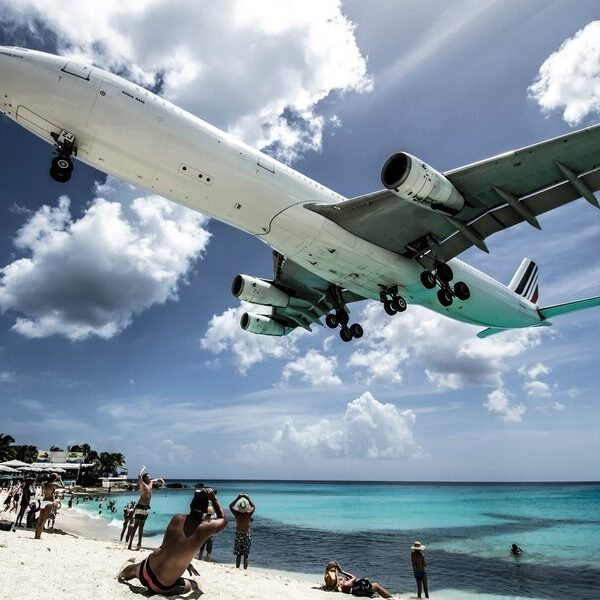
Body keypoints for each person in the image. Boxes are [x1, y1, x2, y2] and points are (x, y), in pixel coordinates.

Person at [118, 487, 227, 596]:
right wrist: (214, 498)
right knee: (192, 585)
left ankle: (123, 573)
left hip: (145, 569)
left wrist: (185, 562)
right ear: (205, 509)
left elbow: (165, 546)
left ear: (191, 505)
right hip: (161, 586)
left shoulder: (177, 519)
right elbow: (223, 519)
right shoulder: (206, 528)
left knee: (135, 569)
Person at [127, 465, 165, 550]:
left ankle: (139, 544)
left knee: (142, 526)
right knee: (136, 525)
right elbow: (139, 476)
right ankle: (130, 543)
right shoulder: (143, 484)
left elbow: (155, 480)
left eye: (150, 477)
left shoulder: (150, 483)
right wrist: (143, 468)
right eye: (148, 477)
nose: (150, 477)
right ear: (145, 479)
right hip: (140, 506)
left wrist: (160, 478)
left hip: (147, 508)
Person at [324, 561, 392, 598]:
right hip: (357, 591)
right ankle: (389, 597)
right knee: (376, 585)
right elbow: (354, 577)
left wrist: (344, 578)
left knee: (367, 582)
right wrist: (342, 571)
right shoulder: (345, 584)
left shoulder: (333, 583)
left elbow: (333, 580)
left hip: (356, 590)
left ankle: (382, 594)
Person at [229, 493, 256, 569]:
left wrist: (238, 498)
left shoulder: (236, 513)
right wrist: (248, 499)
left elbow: (230, 505)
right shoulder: (249, 514)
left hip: (238, 534)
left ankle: (237, 568)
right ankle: (245, 570)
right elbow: (254, 506)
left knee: (238, 554)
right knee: (246, 555)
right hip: (247, 534)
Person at [35, 473, 65, 539]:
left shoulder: (44, 484)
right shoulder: (53, 484)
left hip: (43, 502)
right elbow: (63, 487)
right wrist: (60, 480)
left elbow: (43, 492)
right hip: (49, 502)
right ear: (55, 478)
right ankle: (38, 536)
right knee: (44, 520)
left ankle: (36, 535)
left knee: (40, 520)